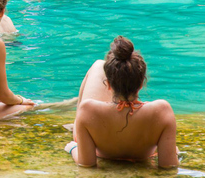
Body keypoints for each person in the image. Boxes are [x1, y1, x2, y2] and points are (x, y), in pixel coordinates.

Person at [65, 36, 178, 168]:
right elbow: (169, 165)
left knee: (98, 65)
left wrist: (73, 148)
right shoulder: (162, 111)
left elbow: (86, 163)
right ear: (141, 84)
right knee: (100, 66)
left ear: (108, 85)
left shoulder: (88, 110)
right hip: (142, 153)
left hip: (99, 137)